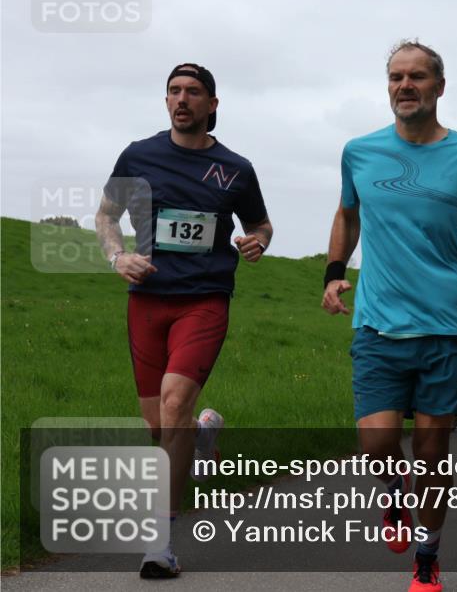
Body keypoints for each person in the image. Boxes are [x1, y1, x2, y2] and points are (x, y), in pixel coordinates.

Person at [322, 40, 457, 592]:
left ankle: (427, 556)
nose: (406, 86)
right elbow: (346, 214)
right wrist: (335, 272)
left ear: (439, 87)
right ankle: (396, 495)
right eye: (397, 77)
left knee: (432, 450)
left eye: (418, 77)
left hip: (446, 323)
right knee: (377, 444)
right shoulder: (359, 151)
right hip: (378, 322)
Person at [95, 63, 273, 578]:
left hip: (204, 299)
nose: (181, 99)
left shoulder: (235, 169)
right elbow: (106, 215)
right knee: (159, 425)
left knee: (173, 403)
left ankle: (161, 543)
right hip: (147, 300)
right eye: (173, 91)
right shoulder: (139, 155)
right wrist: (116, 257)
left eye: (193, 92)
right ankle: (201, 432)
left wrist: (257, 241)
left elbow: (259, 223)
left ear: (212, 104)